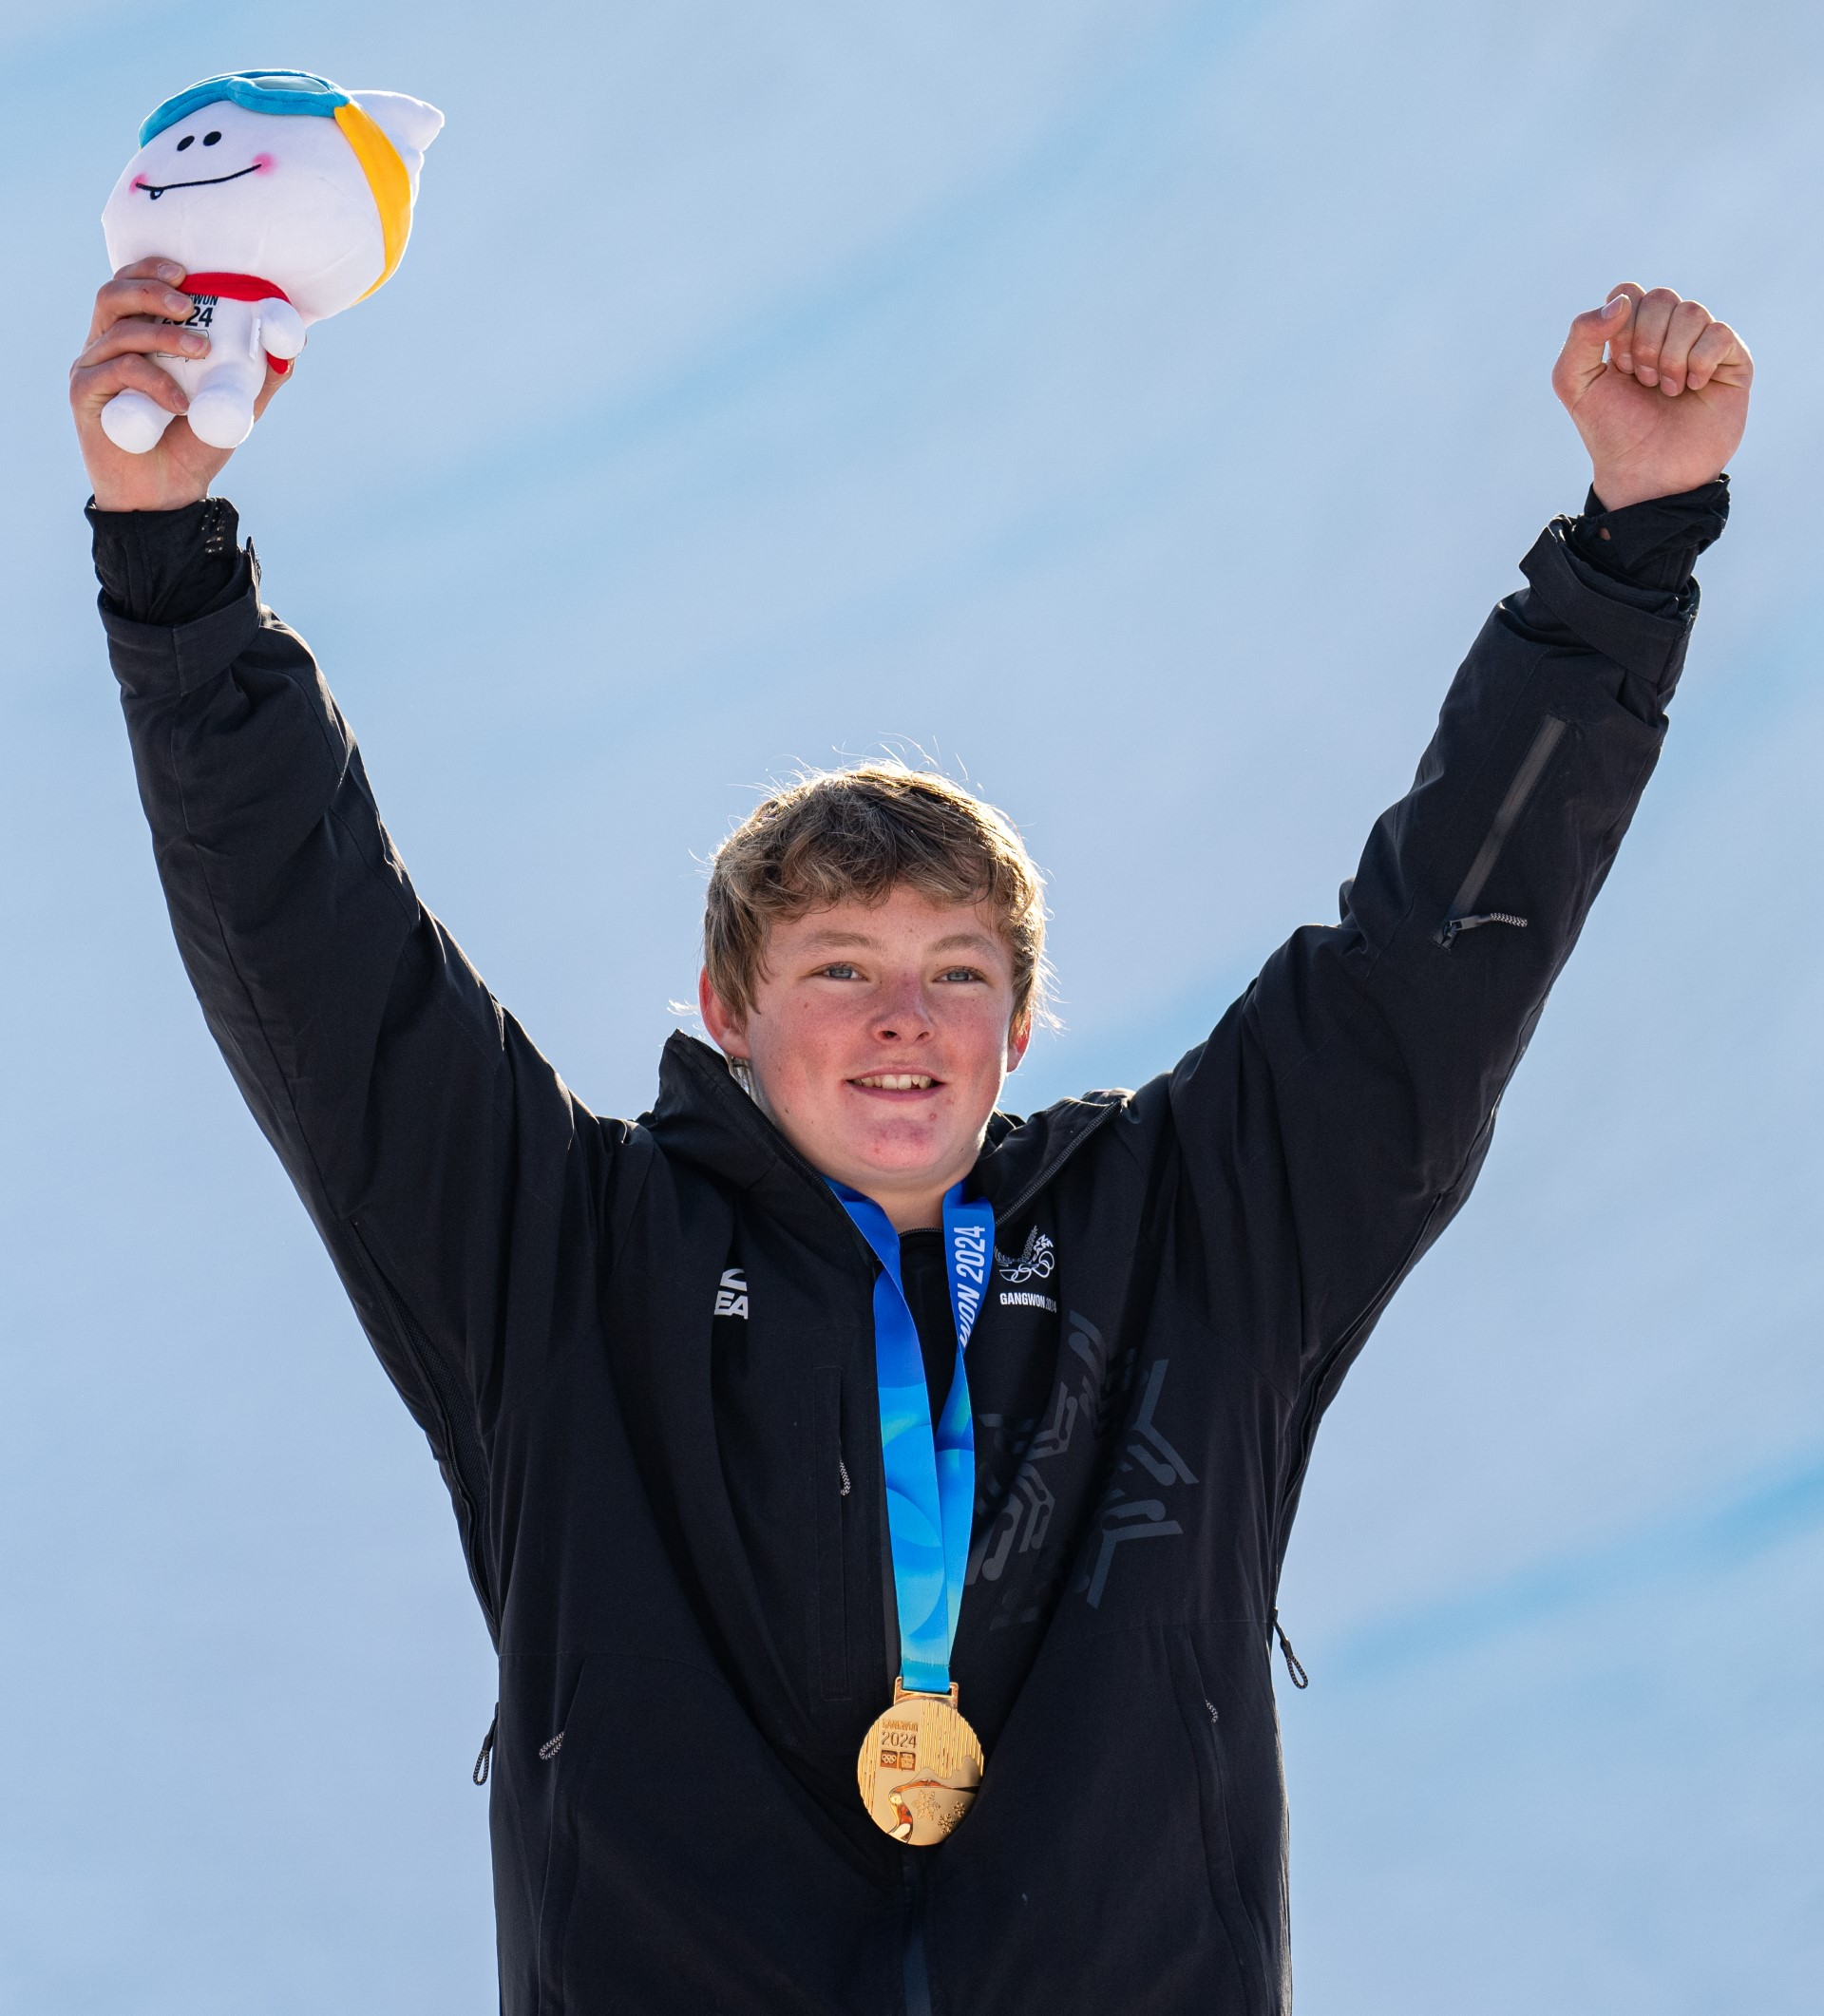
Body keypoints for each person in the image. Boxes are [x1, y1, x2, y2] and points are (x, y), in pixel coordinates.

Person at [71, 257, 1750, 2013]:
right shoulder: (564, 1268)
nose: (903, 1017)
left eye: (958, 971)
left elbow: (1435, 954)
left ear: (1020, 1027)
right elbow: (332, 974)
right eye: (839, 966)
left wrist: (1633, 545)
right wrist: (172, 567)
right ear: (726, 1009)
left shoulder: (1191, 1233)